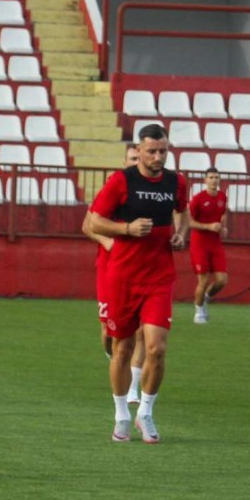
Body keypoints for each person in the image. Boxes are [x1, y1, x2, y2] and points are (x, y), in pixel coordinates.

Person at [88, 123, 189, 444]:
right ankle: (121, 415)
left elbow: (182, 213)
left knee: (157, 348)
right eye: (152, 151)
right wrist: (127, 229)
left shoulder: (176, 182)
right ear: (139, 150)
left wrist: (181, 232)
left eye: (163, 151)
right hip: (123, 276)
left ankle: (145, 412)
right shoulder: (122, 181)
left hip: (159, 276)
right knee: (122, 348)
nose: (158, 157)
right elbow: (93, 221)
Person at [82, 143, 146, 403]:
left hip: (142, 270)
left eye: (137, 158)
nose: (134, 162)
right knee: (111, 334)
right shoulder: (114, 187)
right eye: (131, 158)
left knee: (142, 330)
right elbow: (88, 224)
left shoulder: (150, 192)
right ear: (125, 161)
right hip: (110, 268)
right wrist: (110, 243)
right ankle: (114, 359)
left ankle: (132, 389)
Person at [188, 166, 228, 323]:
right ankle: (198, 311)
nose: (214, 180)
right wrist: (209, 226)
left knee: (222, 280)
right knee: (203, 281)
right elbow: (189, 222)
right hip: (200, 243)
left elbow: (224, 213)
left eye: (216, 177)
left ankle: (205, 298)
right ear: (205, 180)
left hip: (215, 243)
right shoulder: (198, 199)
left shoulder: (222, 197)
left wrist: (223, 227)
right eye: (211, 177)